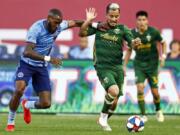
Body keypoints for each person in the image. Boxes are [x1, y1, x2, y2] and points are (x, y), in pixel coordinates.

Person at [5, 8, 86, 132]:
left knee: (46, 104)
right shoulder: (36, 28)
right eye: (55, 22)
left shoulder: (59, 26)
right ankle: (11, 121)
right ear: (49, 19)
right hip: (27, 64)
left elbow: (75, 23)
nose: (57, 26)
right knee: (19, 89)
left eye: (59, 23)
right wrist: (49, 58)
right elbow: (27, 52)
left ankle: (26, 104)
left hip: (41, 67)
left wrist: (95, 24)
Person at [79, 3, 141, 131]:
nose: (114, 19)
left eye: (116, 16)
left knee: (114, 102)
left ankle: (104, 118)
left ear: (119, 16)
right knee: (114, 91)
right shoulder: (99, 27)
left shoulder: (123, 29)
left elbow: (131, 43)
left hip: (117, 67)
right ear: (106, 15)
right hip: (102, 67)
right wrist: (88, 21)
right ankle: (103, 117)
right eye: (111, 16)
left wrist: (135, 43)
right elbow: (81, 33)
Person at [124, 10, 167, 122]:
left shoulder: (154, 32)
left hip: (152, 65)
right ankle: (143, 115)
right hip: (139, 65)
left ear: (147, 21)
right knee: (140, 88)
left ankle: (158, 110)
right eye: (139, 20)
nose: (142, 22)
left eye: (144, 20)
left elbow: (163, 42)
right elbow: (129, 50)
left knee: (155, 92)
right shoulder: (132, 33)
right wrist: (124, 66)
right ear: (136, 21)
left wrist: (163, 56)